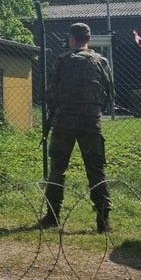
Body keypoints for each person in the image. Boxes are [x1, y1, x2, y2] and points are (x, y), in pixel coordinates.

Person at [42, 22, 114, 233]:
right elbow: (110, 92)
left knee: (58, 169)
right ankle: (103, 219)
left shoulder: (62, 61)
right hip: (91, 121)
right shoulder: (101, 62)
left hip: (64, 121)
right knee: (96, 170)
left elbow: (50, 92)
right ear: (88, 39)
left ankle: (52, 215)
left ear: (71, 38)